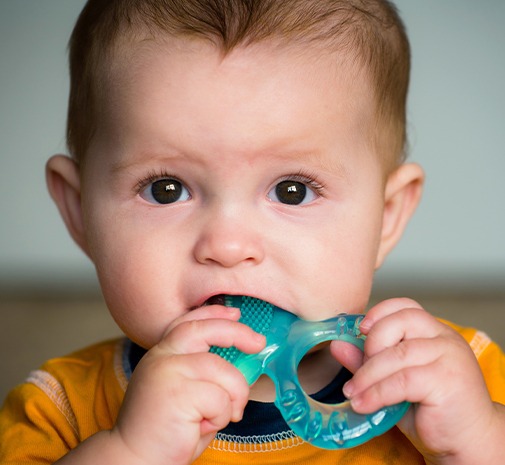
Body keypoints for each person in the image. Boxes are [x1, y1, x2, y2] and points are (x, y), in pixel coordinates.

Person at [1, 0, 504, 463]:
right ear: (80, 211)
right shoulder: (61, 410)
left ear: (387, 215)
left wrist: (477, 440)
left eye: (292, 191)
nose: (228, 246)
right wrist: (130, 451)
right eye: (166, 189)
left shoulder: (457, 380)